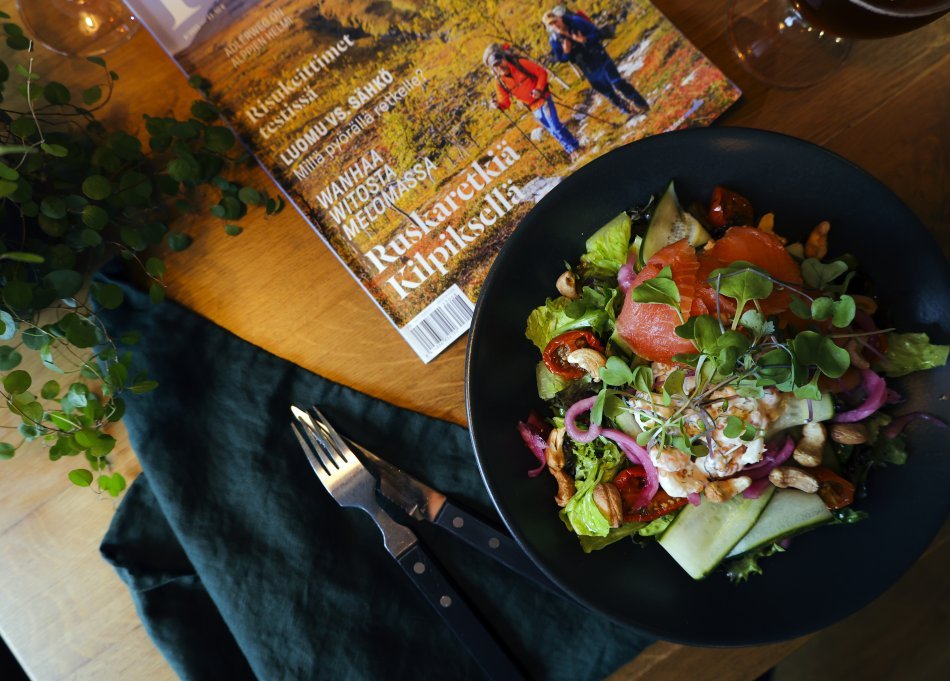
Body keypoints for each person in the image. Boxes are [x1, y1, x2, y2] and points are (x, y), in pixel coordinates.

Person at [542, 7, 649, 115]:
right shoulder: (554, 39)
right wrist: (567, 52)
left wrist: (584, 40)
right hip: (587, 67)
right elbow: (562, 59)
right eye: (551, 24)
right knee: (607, 92)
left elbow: (597, 33)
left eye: (555, 21)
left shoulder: (575, 21)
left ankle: (640, 104)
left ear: (559, 18)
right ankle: (627, 110)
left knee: (617, 83)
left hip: (599, 56)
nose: (555, 25)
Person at [483, 44, 579, 156]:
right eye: (495, 66)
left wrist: (538, 89)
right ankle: (573, 147)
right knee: (552, 131)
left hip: (543, 98)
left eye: (499, 62)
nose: (499, 67)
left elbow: (541, 72)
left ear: (504, 58)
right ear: (492, 68)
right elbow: (505, 102)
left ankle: (573, 150)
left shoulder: (520, 63)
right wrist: (498, 105)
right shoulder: (499, 82)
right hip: (533, 107)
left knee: (555, 127)